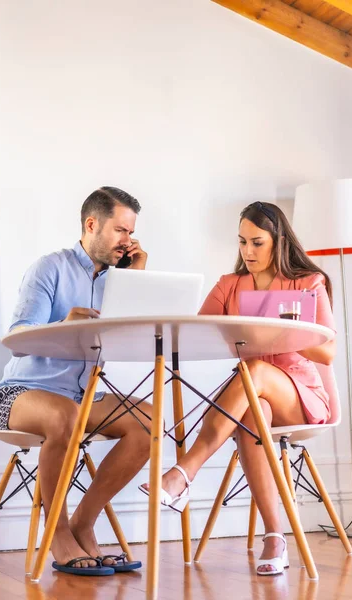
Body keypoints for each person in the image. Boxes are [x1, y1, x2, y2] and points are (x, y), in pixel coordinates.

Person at [140, 201, 336, 576]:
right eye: (242, 242)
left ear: (279, 241)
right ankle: (275, 538)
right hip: (251, 397)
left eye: (257, 243)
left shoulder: (309, 281)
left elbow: (327, 351)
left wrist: (282, 332)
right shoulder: (229, 286)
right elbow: (195, 336)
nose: (247, 251)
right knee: (252, 414)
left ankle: (184, 472)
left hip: (299, 395)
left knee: (256, 371)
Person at [0, 186, 152, 575]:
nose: (127, 241)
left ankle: (84, 523)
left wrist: (137, 282)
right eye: (119, 231)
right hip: (19, 395)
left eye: (131, 233)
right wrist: (63, 325)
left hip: (81, 398)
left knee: (147, 422)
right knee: (64, 416)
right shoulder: (50, 268)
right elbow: (17, 336)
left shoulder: (119, 277)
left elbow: (130, 341)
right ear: (91, 224)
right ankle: (58, 532)